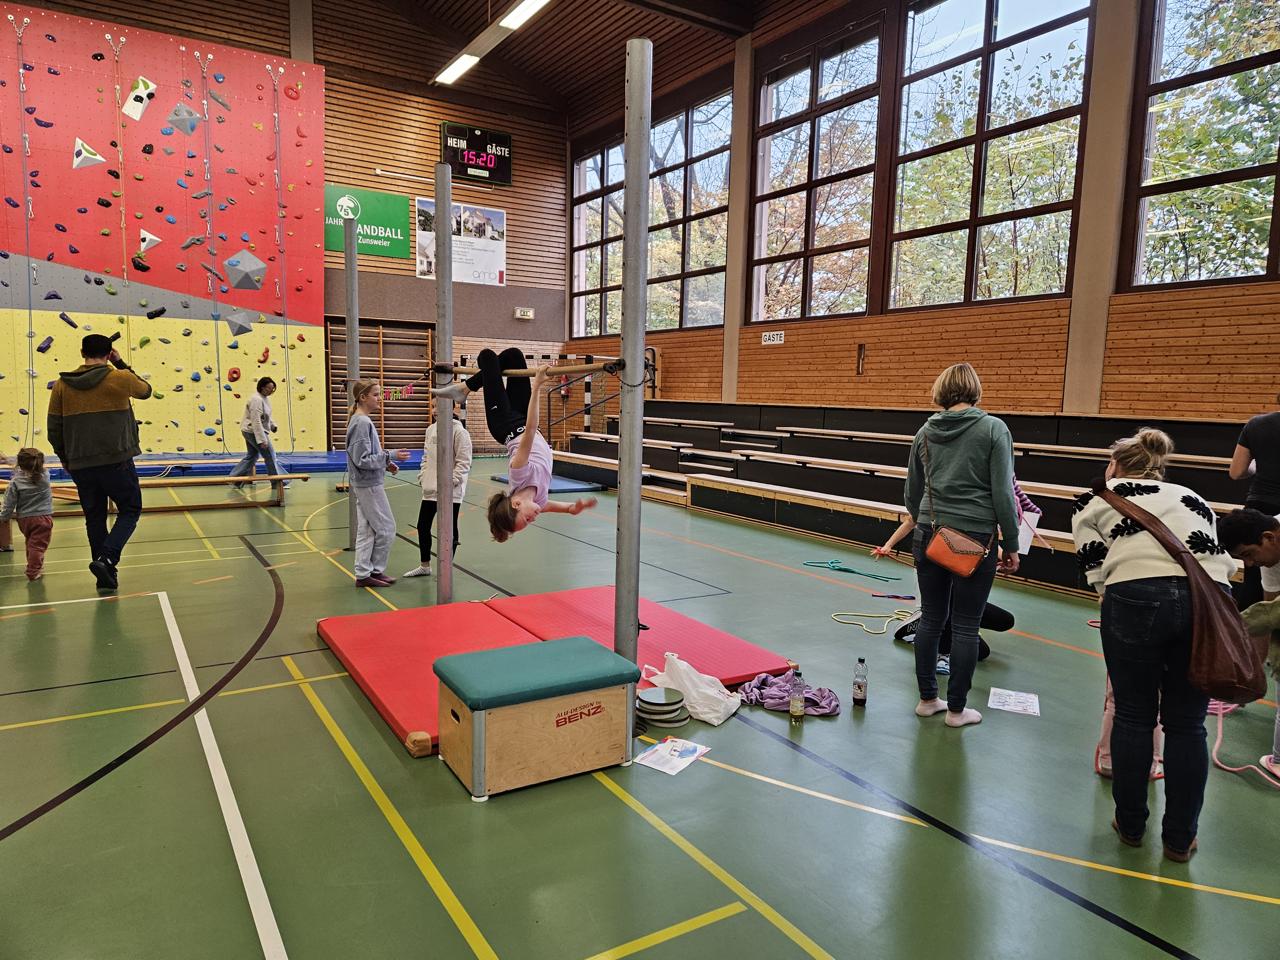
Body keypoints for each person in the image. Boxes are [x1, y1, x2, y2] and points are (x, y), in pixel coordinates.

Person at [1071, 428, 1236, 862]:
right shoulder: (1192, 497)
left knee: (1133, 714)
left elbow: (1095, 571)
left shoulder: (1096, 498)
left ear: (1116, 465)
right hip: (1207, 600)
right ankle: (1180, 839)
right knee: (1188, 724)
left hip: (1136, 593)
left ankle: (1130, 825)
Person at [903, 362, 1020, 728]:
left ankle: (927, 699)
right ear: (975, 390)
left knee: (931, 618)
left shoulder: (924, 432)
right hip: (974, 538)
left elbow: (911, 491)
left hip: (929, 532)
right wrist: (1011, 541)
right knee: (966, 626)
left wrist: (924, 519)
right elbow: (1003, 492)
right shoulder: (994, 429)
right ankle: (956, 710)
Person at [431, 347, 596, 542]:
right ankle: (465, 388)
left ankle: (465, 388)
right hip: (524, 418)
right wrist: (572, 508)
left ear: (516, 504)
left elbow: (531, 430)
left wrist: (537, 385)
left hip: (504, 425)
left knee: (487, 357)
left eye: (527, 519)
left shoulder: (519, 472)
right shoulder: (539, 500)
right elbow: (558, 507)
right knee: (514, 356)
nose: (533, 519)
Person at [875, 478, 1039, 672]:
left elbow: (986, 539)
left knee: (1005, 621)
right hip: (942, 583)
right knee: (975, 647)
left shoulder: (980, 507)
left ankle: (933, 625)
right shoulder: (944, 501)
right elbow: (912, 518)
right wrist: (888, 546)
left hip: (961, 583)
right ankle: (935, 639)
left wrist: (1006, 554)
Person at [48, 334, 152, 591]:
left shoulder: (62, 385)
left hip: (80, 463)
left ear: (82, 352)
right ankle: (107, 559)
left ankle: (105, 574)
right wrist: (120, 363)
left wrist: (65, 458)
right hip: (117, 461)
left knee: (94, 518)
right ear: (109, 354)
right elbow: (146, 390)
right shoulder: (121, 378)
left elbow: (54, 429)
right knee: (130, 510)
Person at [1216, 508, 1280, 778]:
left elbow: (1267, 615)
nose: (1250, 564)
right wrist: (1250, 678)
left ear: (1268, 538)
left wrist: (1232, 628)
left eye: (1248, 554)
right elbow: (1269, 618)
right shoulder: (1272, 557)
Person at [346, 381, 409, 588]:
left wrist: (386, 463)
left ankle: (365, 573)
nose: (379, 398)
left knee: (367, 530)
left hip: (365, 482)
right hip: (368, 484)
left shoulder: (362, 421)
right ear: (363, 397)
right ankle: (374, 570)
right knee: (386, 528)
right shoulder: (361, 423)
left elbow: (368, 454)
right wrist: (390, 455)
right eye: (375, 394)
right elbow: (362, 459)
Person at [404, 410, 472, 578]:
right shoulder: (430, 430)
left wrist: (450, 482)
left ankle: (446, 569)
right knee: (422, 526)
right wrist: (423, 476)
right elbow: (426, 457)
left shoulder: (459, 432)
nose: (435, 410)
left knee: (449, 529)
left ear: (450, 407)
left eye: (438, 406)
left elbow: (464, 462)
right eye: (433, 406)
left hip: (451, 491)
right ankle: (425, 566)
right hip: (431, 488)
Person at [1229, 394, 1280, 608]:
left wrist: (1258, 465)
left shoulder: (1256, 424)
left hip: (1259, 506)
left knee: (1253, 580)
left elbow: (1237, 471)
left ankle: (1246, 626)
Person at [0, 448, 54, 582]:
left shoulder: (16, 482)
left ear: (20, 464)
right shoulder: (45, 476)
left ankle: (35, 565)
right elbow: (35, 472)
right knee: (37, 546)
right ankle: (33, 571)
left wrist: (4, 517)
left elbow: (9, 502)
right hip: (42, 518)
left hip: (24, 520)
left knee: (31, 543)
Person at [229, 377, 288, 491]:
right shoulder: (256, 400)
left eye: (273, 389)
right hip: (253, 431)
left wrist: (272, 425)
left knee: (252, 456)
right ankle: (278, 482)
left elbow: (265, 416)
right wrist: (262, 440)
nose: (271, 391)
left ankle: (236, 479)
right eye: (269, 388)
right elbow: (256, 420)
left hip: (250, 430)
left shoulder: (264, 398)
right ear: (262, 387)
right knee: (270, 456)